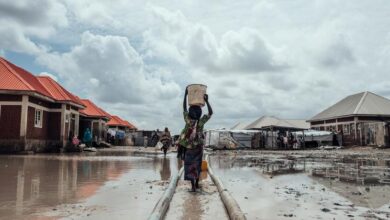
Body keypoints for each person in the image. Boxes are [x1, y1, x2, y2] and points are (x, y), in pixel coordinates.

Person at [179, 87, 213, 192]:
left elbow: (184, 108)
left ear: (190, 113)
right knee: (197, 165)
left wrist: (185, 95)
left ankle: (193, 185)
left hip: (189, 148)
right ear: (199, 113)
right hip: (198, 148)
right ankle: (196, 184)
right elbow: (210, 113)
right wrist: (207, 101)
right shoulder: (201, 122)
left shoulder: (188, 121)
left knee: (189, 165)